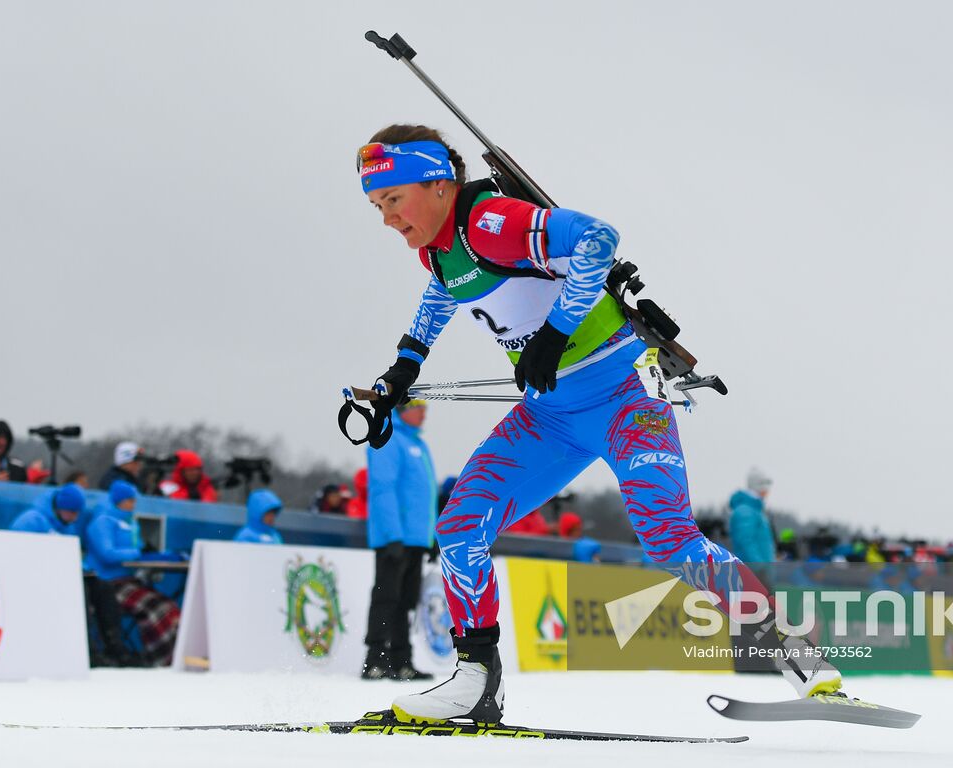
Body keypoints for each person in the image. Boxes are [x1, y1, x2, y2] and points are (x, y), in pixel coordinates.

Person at [348, 128, 842, 723]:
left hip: (625, 398)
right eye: (377, 207)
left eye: (394, 199)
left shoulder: (489, 221)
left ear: (437, 183)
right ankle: (477, 679)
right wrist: (402, 370)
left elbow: (597, 239)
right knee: (459, 527)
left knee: (668, 538)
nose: (386, 219)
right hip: (551, 415)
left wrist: (556, 332)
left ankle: (799, 656)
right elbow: (443, 292)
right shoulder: (440, 247)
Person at [361, 398, 438, 681]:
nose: (423, 414)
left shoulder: (417, 444)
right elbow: (383, 489)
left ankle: (401, 660)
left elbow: (423, 496)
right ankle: (375, 659)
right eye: (418, 408)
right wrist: (392, 535)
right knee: (386, 596)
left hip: (415, 538)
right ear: (403, 410)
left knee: (406, 600)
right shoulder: (389, 438)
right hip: (396, 537)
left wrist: (430, 536)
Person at [83, 481, 180, 666]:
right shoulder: (102, 522)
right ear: (118, 500)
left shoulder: (130, 522)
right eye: (129, 500)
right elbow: (107, 553)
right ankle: (157, 657)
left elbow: (138, 546)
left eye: (133, 500)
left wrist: (149, 552)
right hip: (108, 584)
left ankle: (168, 655)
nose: (132, 504)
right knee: (156, 609)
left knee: (169, 607)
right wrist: (137, 554)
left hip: (130, 580)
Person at [729, 467, 776, 567]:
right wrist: (760, 568)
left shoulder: (755, 510)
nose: (768, 490)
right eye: (764, 484)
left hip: (760, 571)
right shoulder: (745, 511)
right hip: (753, 572)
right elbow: (746, 541)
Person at [10, 483, 87, 535]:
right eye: (72, 512)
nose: (75, 518)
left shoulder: (69, 526)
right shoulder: (30, 521)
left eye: (78, 512)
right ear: (61, 507)